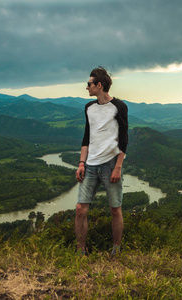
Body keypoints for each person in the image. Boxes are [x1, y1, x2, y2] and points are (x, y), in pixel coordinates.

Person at [75, 66, 128, 256]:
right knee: (80, 208)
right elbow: (87, 136)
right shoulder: (89, 107)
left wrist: (118, 167)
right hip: (90, 165)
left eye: (89, 84)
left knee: (115, 209)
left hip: (110, 164)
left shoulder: (119, 107)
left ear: (99, 85)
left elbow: (123, 139)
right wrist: (81, 163)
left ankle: (116, 249)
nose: (86, 87)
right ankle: (81, 251)